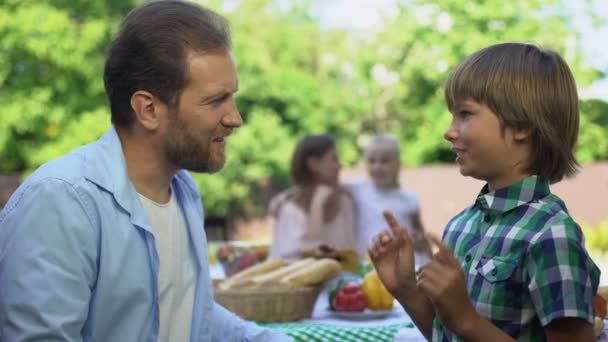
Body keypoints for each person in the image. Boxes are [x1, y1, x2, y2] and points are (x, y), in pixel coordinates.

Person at [0, 1, 291, 341]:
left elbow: (193, 315)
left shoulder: (184, 192)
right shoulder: (62, 202)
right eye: (216, 101)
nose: (235, 118)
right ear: (148, 109)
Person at [369, 43, 601, 341]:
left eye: (465, 114)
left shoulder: (552, 235)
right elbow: (447, 334)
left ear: (521, 125)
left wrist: (466, 319)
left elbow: (463, 325)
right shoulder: (460, 226)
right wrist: (406, 290)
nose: (449, 132)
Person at [269, 134, 358, 259]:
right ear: (313, 164)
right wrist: (317, 204)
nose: (340, 166)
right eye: (334, 159)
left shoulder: (345, 201)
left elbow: (351, 255)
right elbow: (287, 261)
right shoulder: (290, 210)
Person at [348, 134, 431, 264]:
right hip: (369, 265)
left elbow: (419, 233)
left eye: (384, 161)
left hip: (404, 264)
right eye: (372, 161)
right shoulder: (357, 189)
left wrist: (426, 250)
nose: (377, 167)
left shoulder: (409, 198)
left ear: (398, 164)